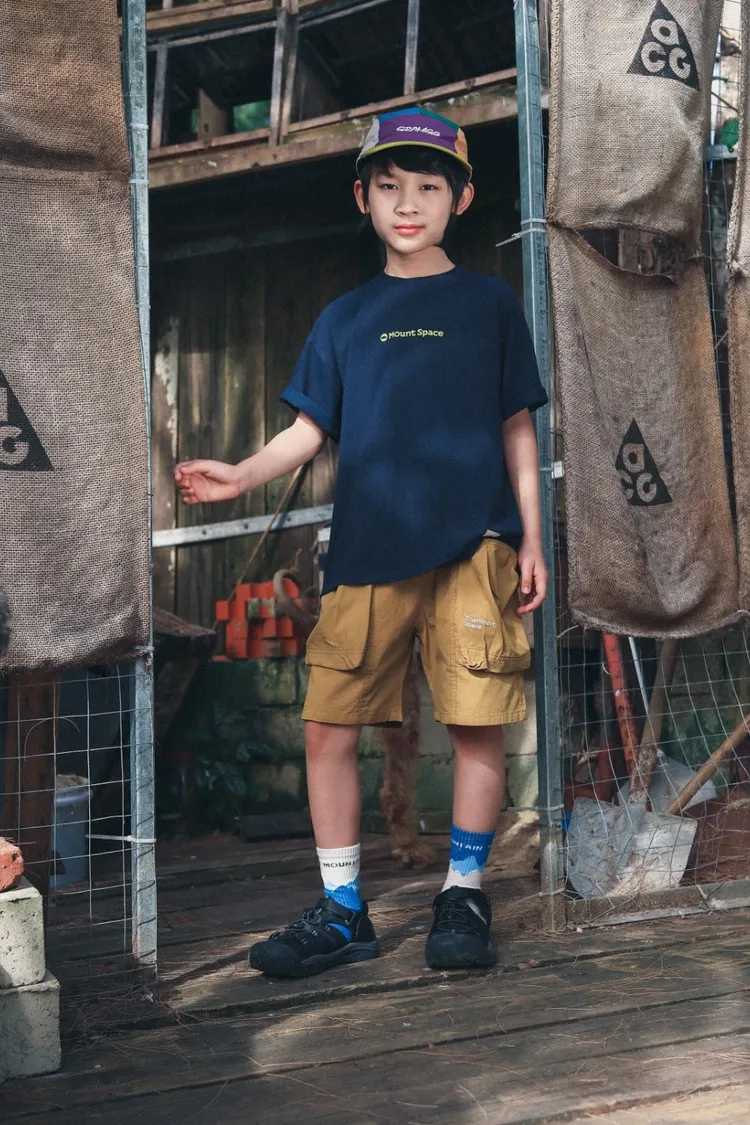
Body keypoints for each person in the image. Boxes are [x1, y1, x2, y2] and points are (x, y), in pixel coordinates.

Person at [174, 107, 548, 979]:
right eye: (388, 187)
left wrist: (532, 535)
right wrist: (241, 474)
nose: (407, 203)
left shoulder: (490, 304)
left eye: (427, 187)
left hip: (476, 547)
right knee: (326, 728)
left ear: (460, 199)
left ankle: (463, 893)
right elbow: (308, 432)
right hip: (367, 553)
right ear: (362, 199)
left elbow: (516, 426)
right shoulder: (344, 318)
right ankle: (343, 908)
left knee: (476, 724)